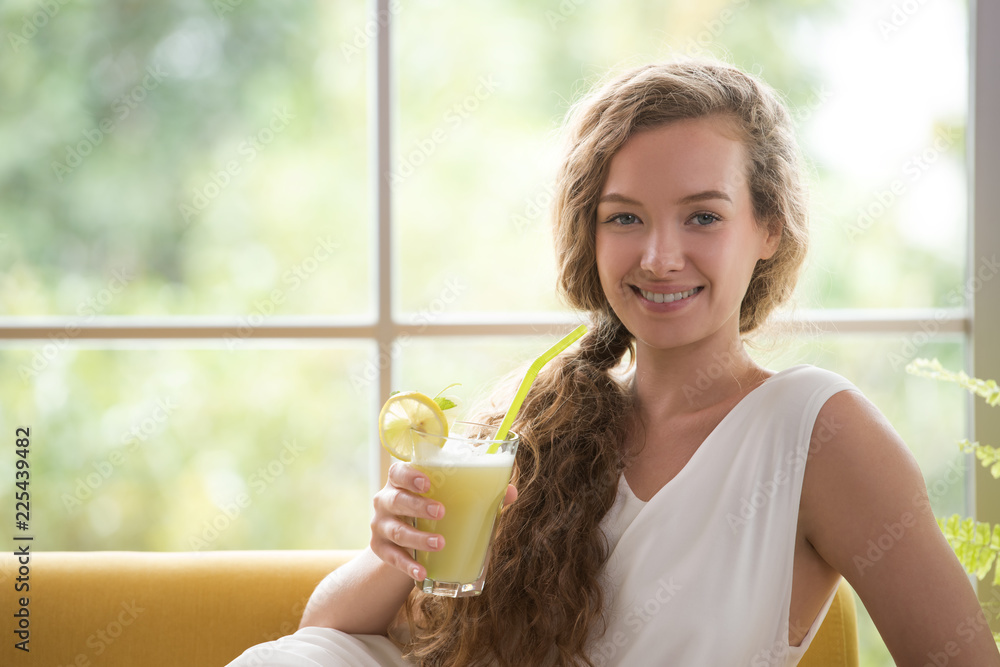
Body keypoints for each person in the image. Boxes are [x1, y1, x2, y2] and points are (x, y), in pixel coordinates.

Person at [229, 59, 1000, 666]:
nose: (661, 257)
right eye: (625, 218)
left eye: (703, 215)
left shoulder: (816, 432)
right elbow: (325, 630)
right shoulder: (537, 414)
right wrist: (394, 550)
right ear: (589, 237)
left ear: (768, 226)